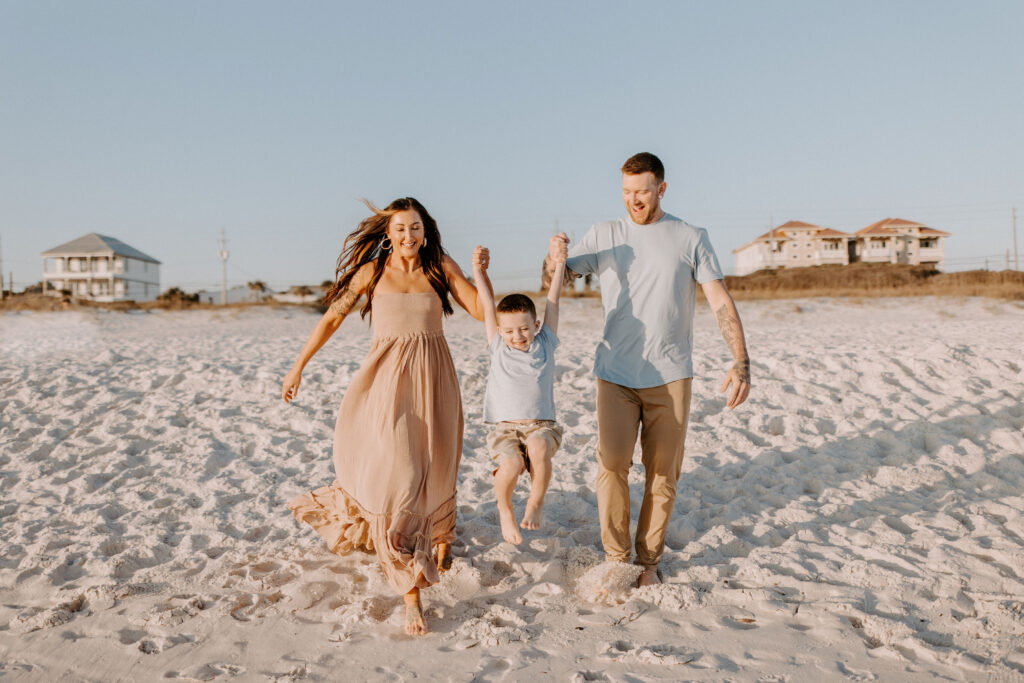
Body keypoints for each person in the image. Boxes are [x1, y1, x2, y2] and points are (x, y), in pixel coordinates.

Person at [282, 197, 490, 635]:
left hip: (436, 381)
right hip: (386, 385)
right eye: (400, 229)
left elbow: (479, 309)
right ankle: (410, 593)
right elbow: (331, 320)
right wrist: (299, 364)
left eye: (415, 228)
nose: (408, 236)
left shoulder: (440, 267)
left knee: (436, 466)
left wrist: (481, 275)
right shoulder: (372, 271)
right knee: (401, 475)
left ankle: (439, 538)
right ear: (388, 233)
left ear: (426, 230)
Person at [546, 152, 751, 587]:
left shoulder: (691, 236)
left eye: (641, 191)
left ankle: (649, 563)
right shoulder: (605, 234)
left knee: (662, 475)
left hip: (672, 375)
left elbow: (718, 300)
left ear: (661, 188)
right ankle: (618, 558)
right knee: (613, 466)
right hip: (615, 373)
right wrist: (555, 258)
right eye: (626, 192)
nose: (633, 200)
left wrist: (741, 361)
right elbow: (559, 277)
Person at [472, 239, 565, 545]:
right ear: (500, 331)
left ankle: (536, 502)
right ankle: (504, 508)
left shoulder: (545, 342)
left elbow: (553, 300)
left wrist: (560, 262)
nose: (518, 336)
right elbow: (488, 305)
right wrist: (478, 269)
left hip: (541, 425)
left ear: (535, 324)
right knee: (511, 465)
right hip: (505, 428)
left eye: (524, 328)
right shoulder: (497, 345)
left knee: (538, 449)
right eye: (510, 330)